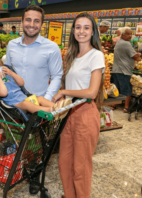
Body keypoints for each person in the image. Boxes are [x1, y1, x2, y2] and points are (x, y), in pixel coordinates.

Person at [5, 5, 63, 195]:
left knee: (36, 145)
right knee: (15, 138)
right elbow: (7, 70)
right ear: (22, 22)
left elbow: (57, 75)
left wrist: (45, 100)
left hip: (38, 104)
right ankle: (13, 170)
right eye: (28, 20)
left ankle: (33, 176)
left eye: (36, 21)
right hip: (15, 105)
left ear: (41, 24)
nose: (32, 24)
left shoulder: (51, 48)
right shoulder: (12, 45)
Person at [51, 12, 105, 198]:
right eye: (78, 27)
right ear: (73, 30)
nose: (81, 31)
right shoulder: (72, 55)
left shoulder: (96, 56)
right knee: (64, 164)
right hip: (69, 113)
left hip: (86, 113)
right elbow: (71, 84)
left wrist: (65, 92)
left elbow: (91, 92)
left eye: (86, 27)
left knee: (81, 168)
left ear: (92, 32)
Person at [0, 57, 66, 113]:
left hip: (25, 99)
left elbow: (21, 83)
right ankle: (49, 110)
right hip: (15, 106)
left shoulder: (9, 77)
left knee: (40, 98)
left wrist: (12, 74)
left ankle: (58, 106)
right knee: (27, 104)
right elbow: (3, 93)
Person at [111, 27, 141, 112]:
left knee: (116, 88)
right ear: (122, 35)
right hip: (124, 71)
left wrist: (136, 54)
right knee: (127, 89)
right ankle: (126, 107)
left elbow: (127, 54)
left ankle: (113, 105)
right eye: (128, 34)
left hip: (116, 69)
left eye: (131, 34)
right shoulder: (126, 44)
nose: (130, 36)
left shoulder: (119, 42)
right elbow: (135, 57)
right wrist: (139, 57)